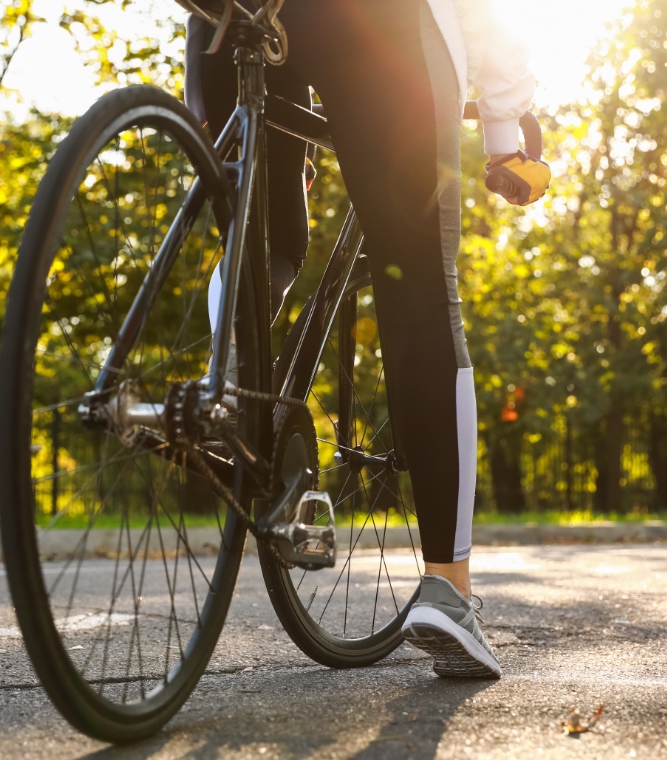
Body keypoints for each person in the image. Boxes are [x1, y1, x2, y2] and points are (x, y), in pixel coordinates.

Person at [186, 0, 547, 679]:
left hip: (227, 18)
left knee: (267, 244)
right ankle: (449, 591)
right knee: (418, 290)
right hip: (382, 24)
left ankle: (230, 393)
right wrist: (504, 128)